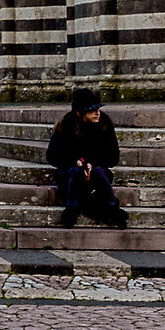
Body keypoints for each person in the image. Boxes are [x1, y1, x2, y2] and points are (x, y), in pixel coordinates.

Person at [46, 88, 129, 228]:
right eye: (91, 110)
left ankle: (111, 208)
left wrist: (92, 163)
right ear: (80, 112)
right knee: (76, 175)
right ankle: (73, 209)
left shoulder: (104, 123)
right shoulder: (66, 124)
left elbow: (113, 157)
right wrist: (76, 162)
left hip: (96, 178)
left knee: (98, 175)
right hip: (70, 175)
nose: (97, 113)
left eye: (98, 109)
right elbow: (53, 156)